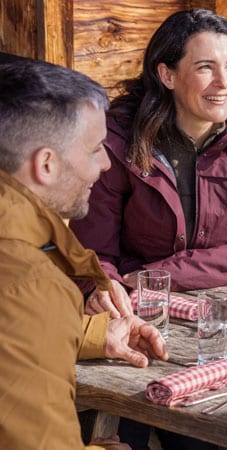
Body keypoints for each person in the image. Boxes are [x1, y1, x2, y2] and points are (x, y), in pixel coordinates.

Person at [0, 59, 168, 449]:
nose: (106, 164)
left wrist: (91, 333)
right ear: (46, 164)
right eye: (95, 150)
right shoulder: (31, 286)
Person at [70, 8, 227, 308]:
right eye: (205, 67)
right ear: (167, 75)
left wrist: (160, 276)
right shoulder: (118, 142)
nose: (224, 82)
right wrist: (103, 287)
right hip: (133, 307)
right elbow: (93, 252)